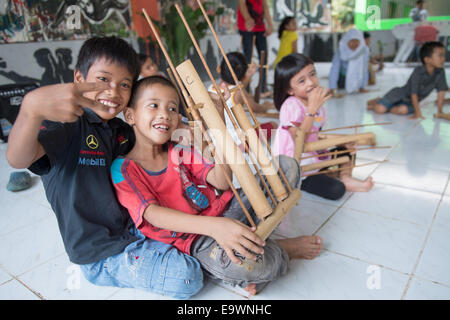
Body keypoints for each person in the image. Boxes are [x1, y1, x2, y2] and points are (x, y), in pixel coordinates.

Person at [5, 36, 204, 299]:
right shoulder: (65, 126)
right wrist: (31, 110)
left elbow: (167, 134)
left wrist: (200, 128)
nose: (113, 92)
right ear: (78, 78)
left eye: (124, 84)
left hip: (134, 229)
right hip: (100, 254)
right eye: (103, 79)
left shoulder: (120, 129)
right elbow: (17, 159)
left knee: (197, 234)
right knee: (187, 276)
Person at [112, 75, 323, 296]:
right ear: (130, 115)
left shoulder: (178, 149)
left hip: (228, 209)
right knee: (249, 265)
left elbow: (221, 181)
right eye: (153, 105)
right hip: (197, 238)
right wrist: (215, 227)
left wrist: (218, 122)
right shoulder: (123, 169)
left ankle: (250, 249)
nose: (165, 114)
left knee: (286, 166)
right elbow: (153, 215)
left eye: (173, 108)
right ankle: (281, 251)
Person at [273, 53, 374, 199]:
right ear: (290, 90)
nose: (310, 82)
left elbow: (316, 135)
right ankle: (329, 178)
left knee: (347, 147)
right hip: (298, 167)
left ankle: (345, 176)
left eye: (312, 74)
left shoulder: (316, 103)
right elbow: (299, 140)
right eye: (302, 81)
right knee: (336, 190)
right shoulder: (291, 106)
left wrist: (344, 141)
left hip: (315, 156)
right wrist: (311, 110)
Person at [367, 41, 447, 119]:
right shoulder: (418, 71)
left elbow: (441, 91)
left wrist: (440, 111)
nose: (443, 59)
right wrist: (417, 112)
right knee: (379, 110)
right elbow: (414, 93)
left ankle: (385, 105)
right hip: (398, 95)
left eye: (444, 55)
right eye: (440, 56)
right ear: (427, 60)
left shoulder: (440, 72)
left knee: (403, 110)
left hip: (410, 102)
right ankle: (377, 103)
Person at [237, 0, 274, 94]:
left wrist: (270, 24)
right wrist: (248, 19)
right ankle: (246, 90)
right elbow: (242, 5)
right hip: (247, 28)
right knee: (247, 60)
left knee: (264, 59)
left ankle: (262, 89)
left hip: (260, 28)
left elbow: (265, 7)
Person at [329, 28, 370, 97]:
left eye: (357, 41)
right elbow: (335, 68)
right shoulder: (341, 50)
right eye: (351, 41)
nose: (354, 44)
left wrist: (362, 87)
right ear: (346, 41)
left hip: (358, 76)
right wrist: (332, 88)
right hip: (343, 78)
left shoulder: (364, 50)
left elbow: (364, 68)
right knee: (342, 87)